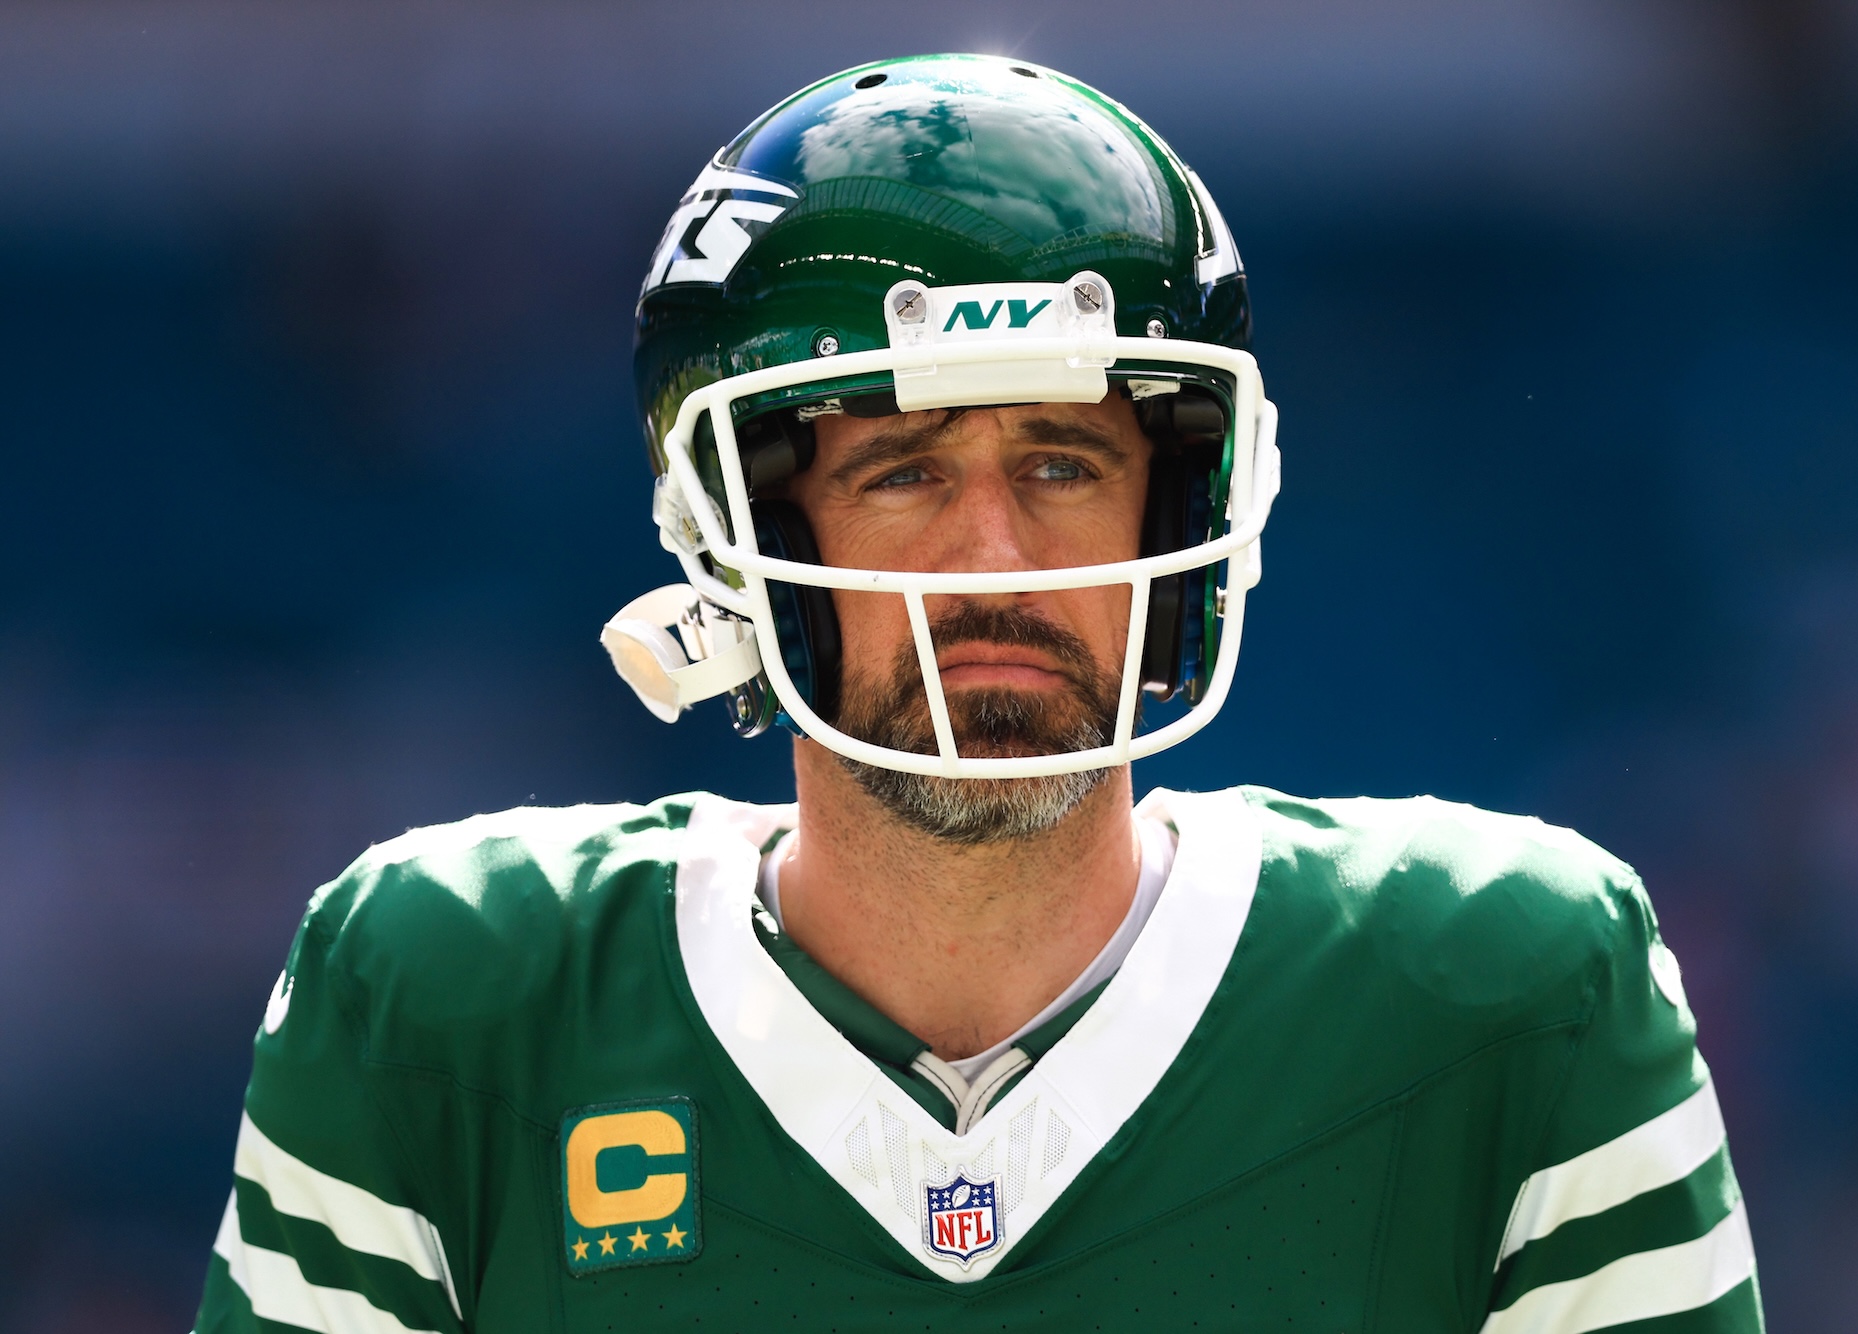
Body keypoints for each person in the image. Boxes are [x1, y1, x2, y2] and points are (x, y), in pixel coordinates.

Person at [194, 54, 1761, 1333]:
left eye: (1064, 464)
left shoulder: (1513, 990)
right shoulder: (445, 998)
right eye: (902, 470)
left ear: (1185, 508)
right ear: (741, 533)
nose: (991, 556)